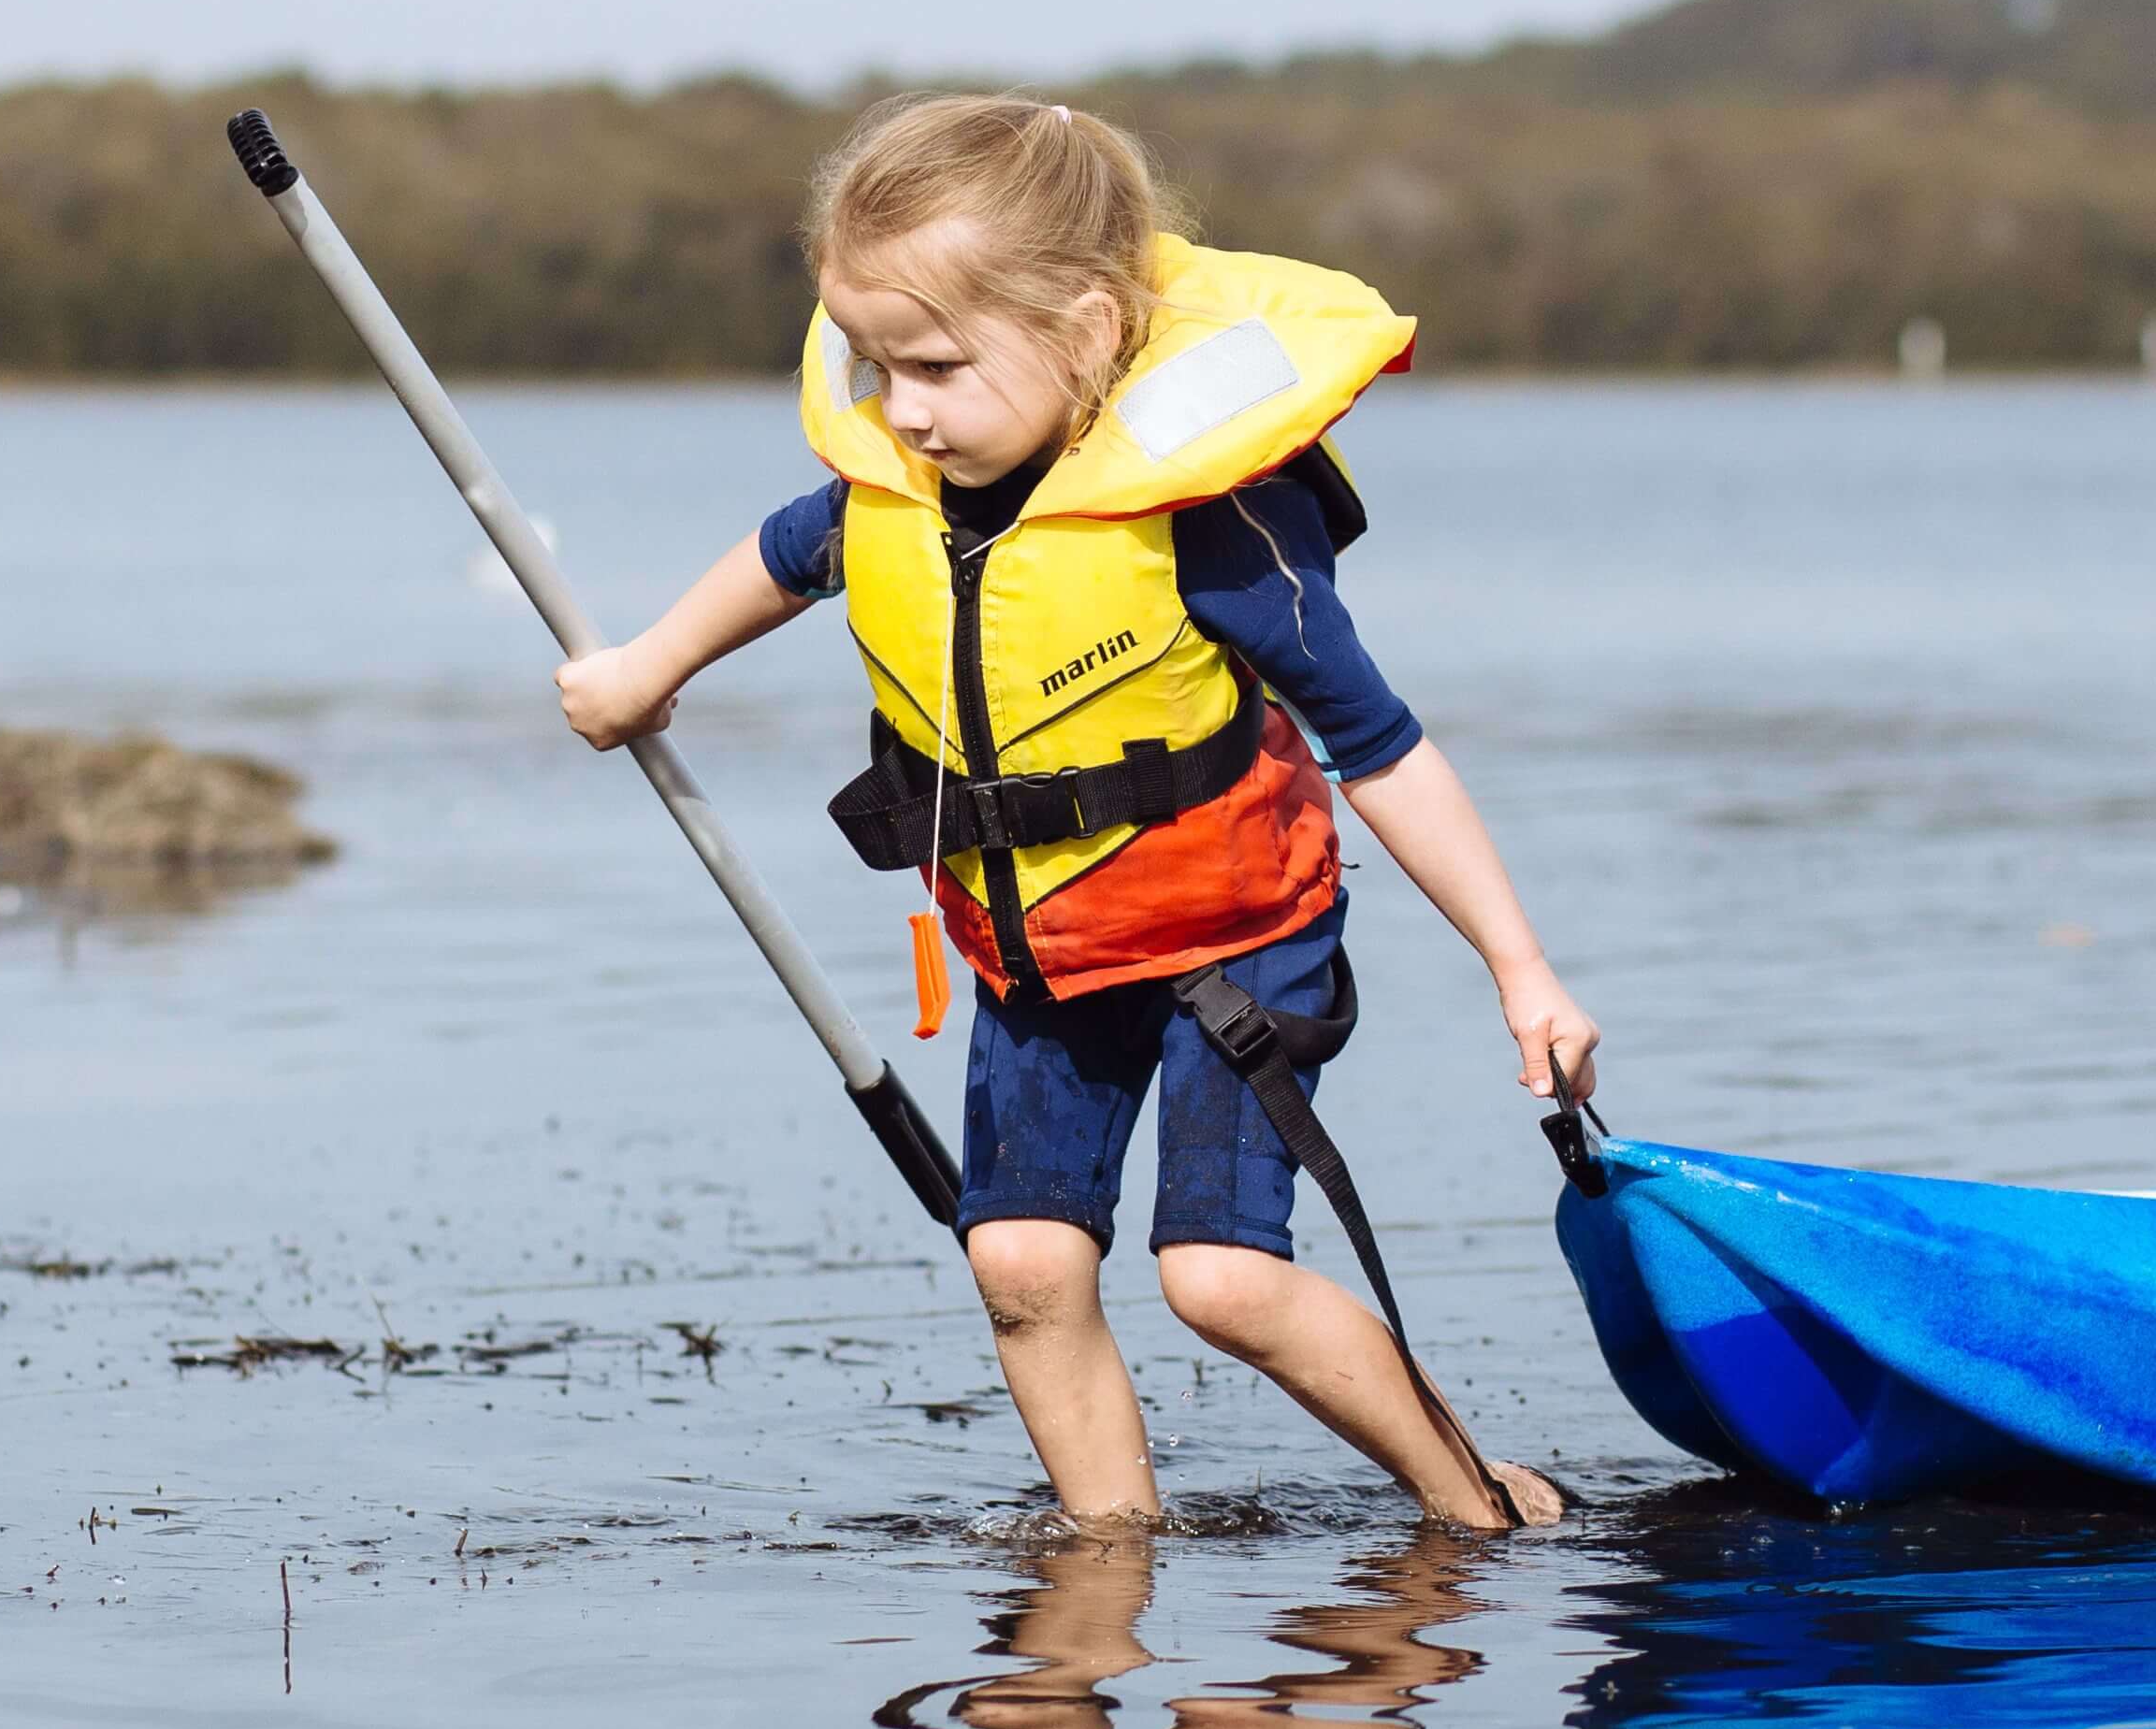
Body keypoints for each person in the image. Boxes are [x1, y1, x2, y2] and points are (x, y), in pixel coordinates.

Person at [556, 92, 1584, 1530]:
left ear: (1092, 330)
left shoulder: (1207, 521)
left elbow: (1383, 747)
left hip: (1235, 937)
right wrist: (645, 670)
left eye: (936, 367)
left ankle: (1477, 1511)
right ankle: (1109, 1554)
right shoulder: (901, 483)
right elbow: (788, 558)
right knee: (1024, 1269)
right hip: (1042, 951)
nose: (899, 407)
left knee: (1219, 1281)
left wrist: (1519, 966)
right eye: (873, 363)